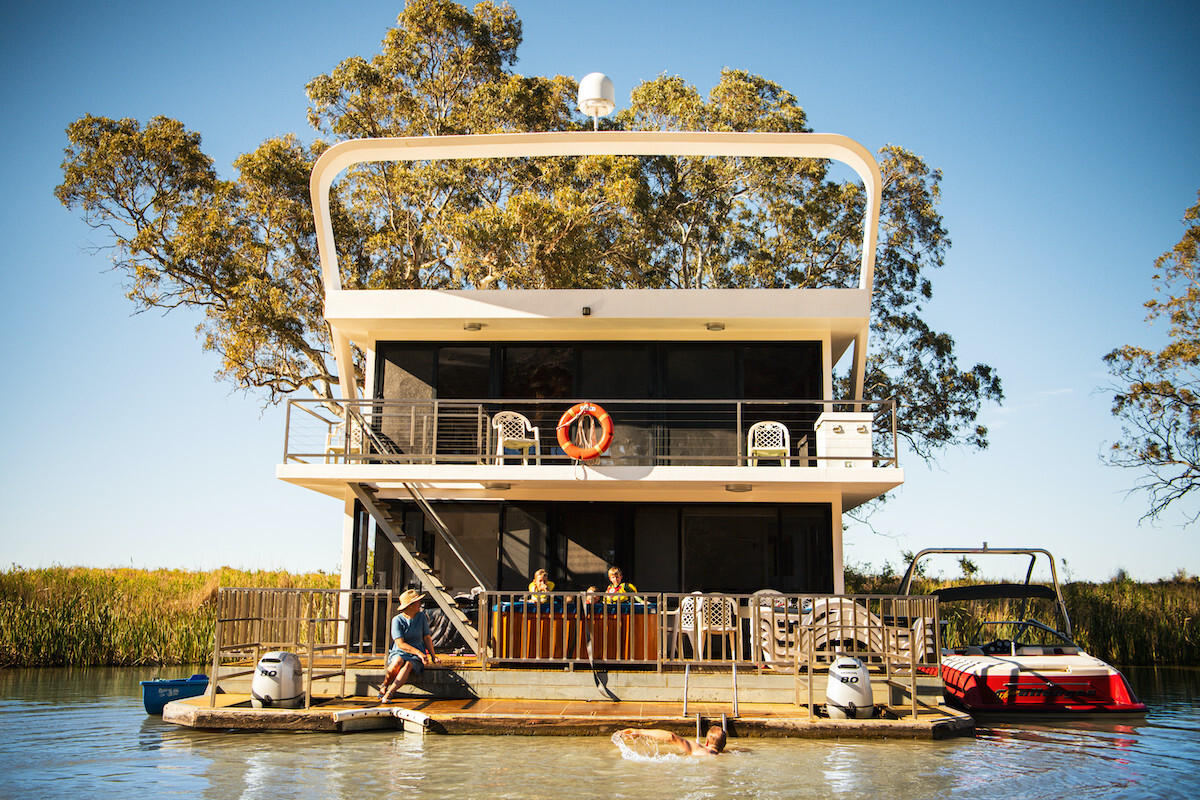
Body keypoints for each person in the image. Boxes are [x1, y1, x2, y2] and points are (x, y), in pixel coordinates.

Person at [379, 588, 437, 703]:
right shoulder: (397, 620)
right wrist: (419, 653)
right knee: (397, 662)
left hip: (415, 655)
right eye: (417, 602)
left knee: (408, 665)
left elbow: (427, 637)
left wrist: (433, 655)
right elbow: (400, 643)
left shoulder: (421, 617)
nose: (420, 604)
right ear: (410, 605)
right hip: (401, 652)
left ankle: (390, 693)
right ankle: (384, 685)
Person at [616, 726, 727, 757]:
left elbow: (671, 736)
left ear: (707, 742)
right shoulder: (723, 756)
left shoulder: (698, 749)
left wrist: (639, 731)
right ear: (724, 745)